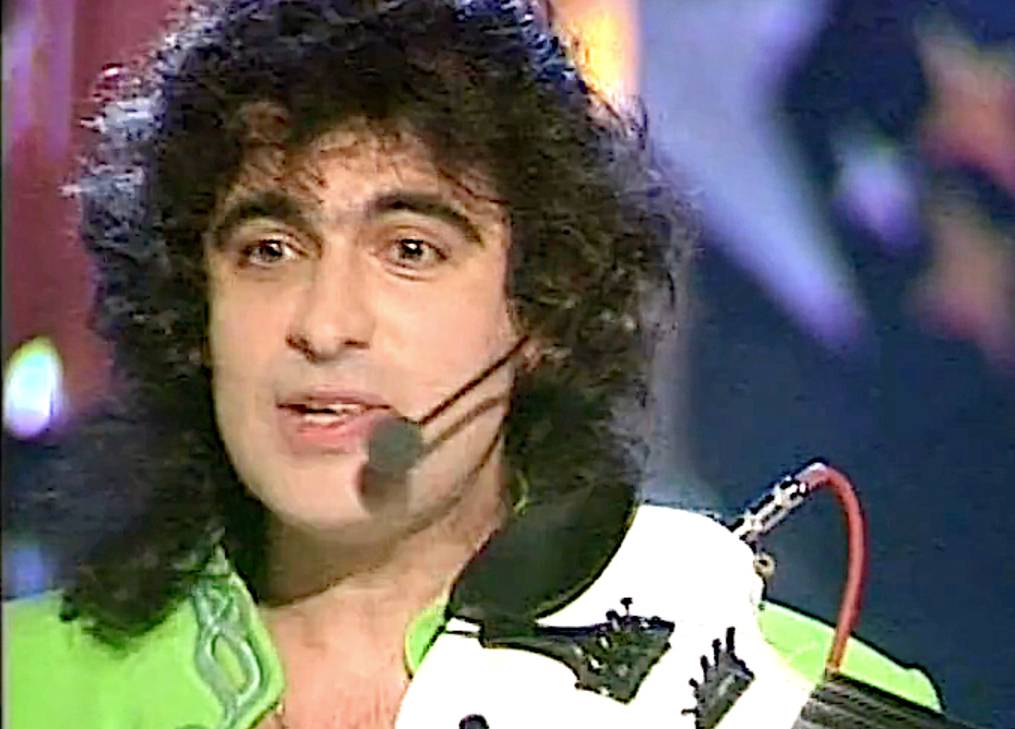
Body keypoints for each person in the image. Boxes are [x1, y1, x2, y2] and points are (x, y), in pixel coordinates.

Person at [3, 1, 940, 726]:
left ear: (542, 309)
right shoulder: (27, 683)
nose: (324, 325)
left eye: (410, 249)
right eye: (269, 250)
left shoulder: (799, 700)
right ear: (193, 309)